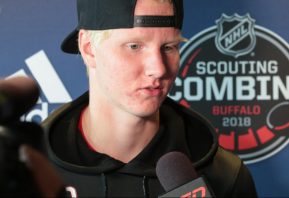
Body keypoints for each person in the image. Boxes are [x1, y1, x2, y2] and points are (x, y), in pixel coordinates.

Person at [42, 0, 258, 197]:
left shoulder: (225, 176)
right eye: (134, 46)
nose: (158, 68)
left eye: (169, 47)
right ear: (89, 49)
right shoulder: (32, 169)